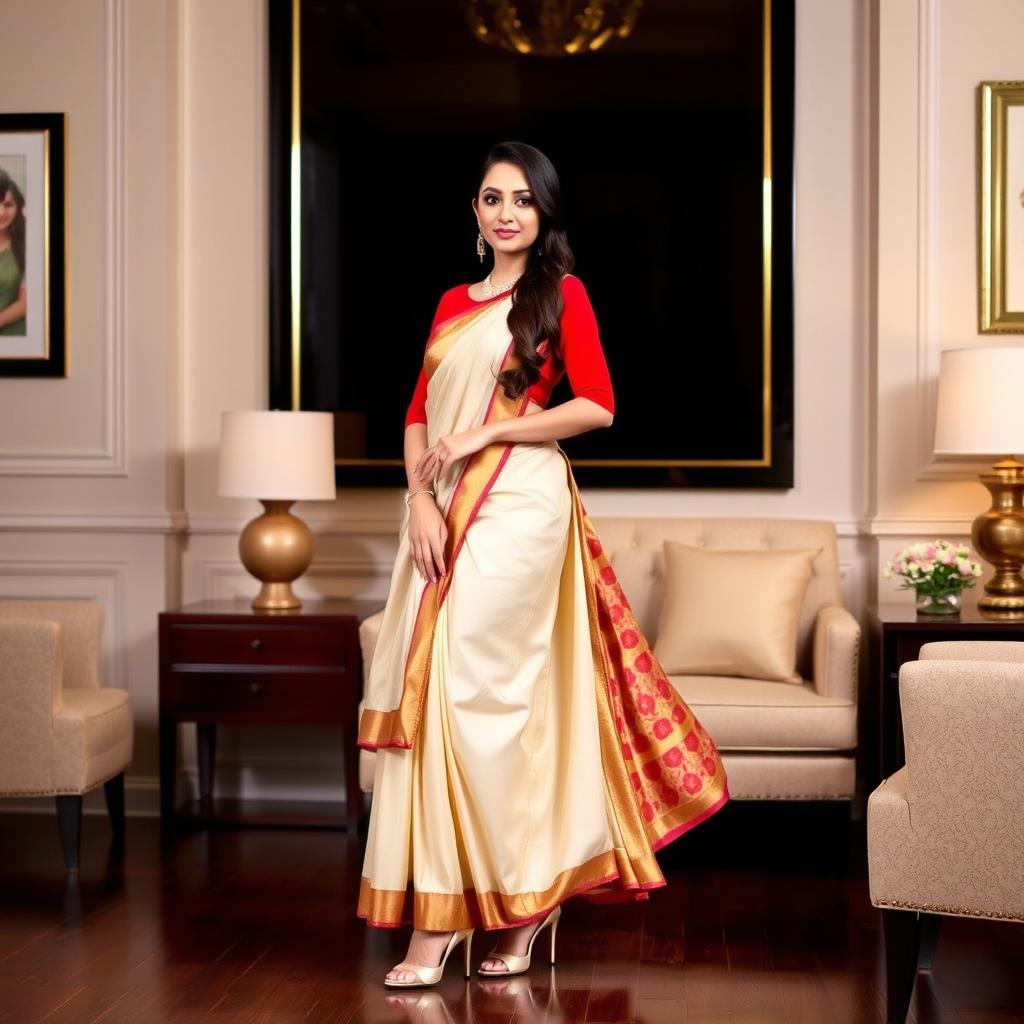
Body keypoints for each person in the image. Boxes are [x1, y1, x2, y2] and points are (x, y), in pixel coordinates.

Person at [357, 141, 729, 987]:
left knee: (476, 693)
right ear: (475, 212)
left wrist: (490, 431)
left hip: (522, 505)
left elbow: (596, 406)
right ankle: (452, 915)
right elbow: (418, 412)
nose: (506, 213)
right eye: (492, 198)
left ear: (543, 213)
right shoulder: (454, 300)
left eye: (522, 199)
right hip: (442, 504)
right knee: (438, 704)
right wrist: (418, 497)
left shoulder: (559, 296)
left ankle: (511, 910)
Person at [0, 170, 27, 336]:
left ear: (18, 207)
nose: (1, 213)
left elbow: (26, 303)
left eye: (8, 205)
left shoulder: (27, 244)